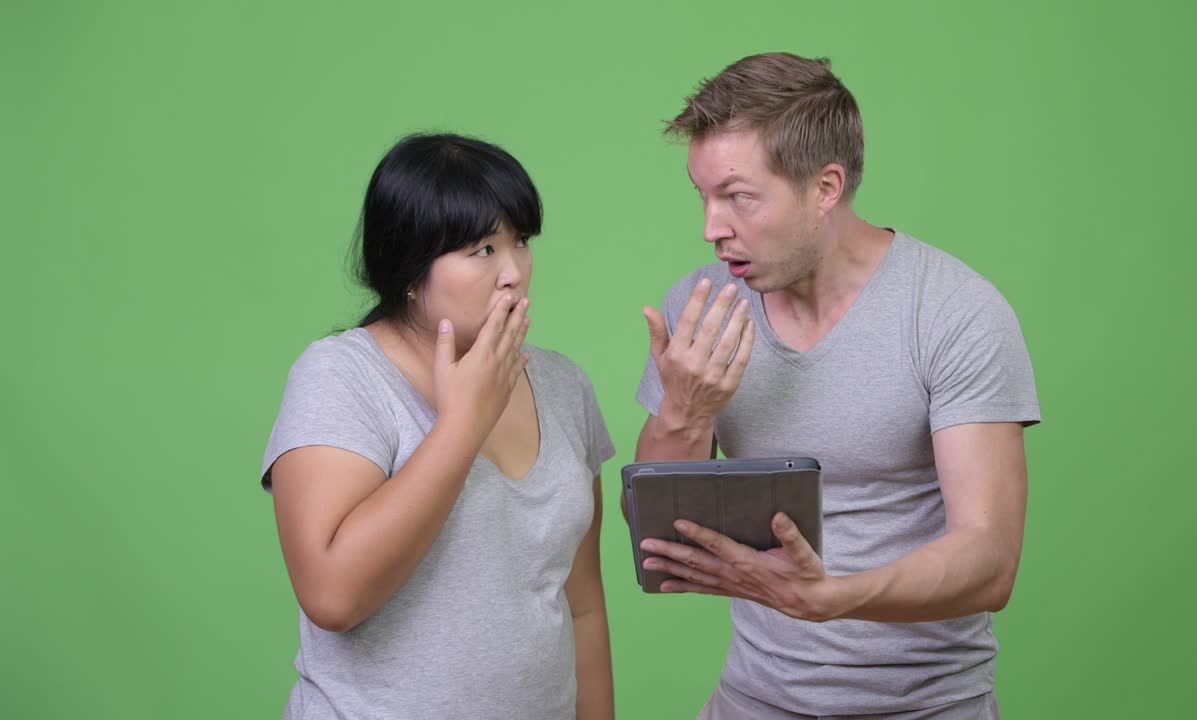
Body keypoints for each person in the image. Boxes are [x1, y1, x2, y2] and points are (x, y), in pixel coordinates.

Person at [633, 53, 1040, 719]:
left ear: (825, 188)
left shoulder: (953, 311)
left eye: (738, 197)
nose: (711, 228)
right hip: (754, 699)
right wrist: (684, 408)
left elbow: (991, 560)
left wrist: (833, 596)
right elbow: (658, 538)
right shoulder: (701, 310)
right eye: (702, 196)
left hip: (928, 705)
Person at [260, 133, 615, 720]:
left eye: (520, 242)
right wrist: (462, 425)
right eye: (482, 249)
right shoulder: (340, 376)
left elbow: (582, 607)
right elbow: (333, 595)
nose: (513, 273)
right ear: (409, 264)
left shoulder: (562, 384)